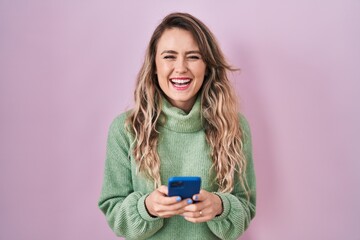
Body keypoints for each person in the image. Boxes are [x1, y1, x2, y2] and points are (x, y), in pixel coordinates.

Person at [98, 12, 256, 240]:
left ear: (207, 66)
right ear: (154, 65)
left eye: (193, 57)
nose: (180, 68)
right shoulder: (125, 129)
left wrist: (220, 206)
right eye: (169, 57)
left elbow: (245, 206)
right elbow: (113, 210)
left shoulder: (235, 127)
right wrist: (148, 208)